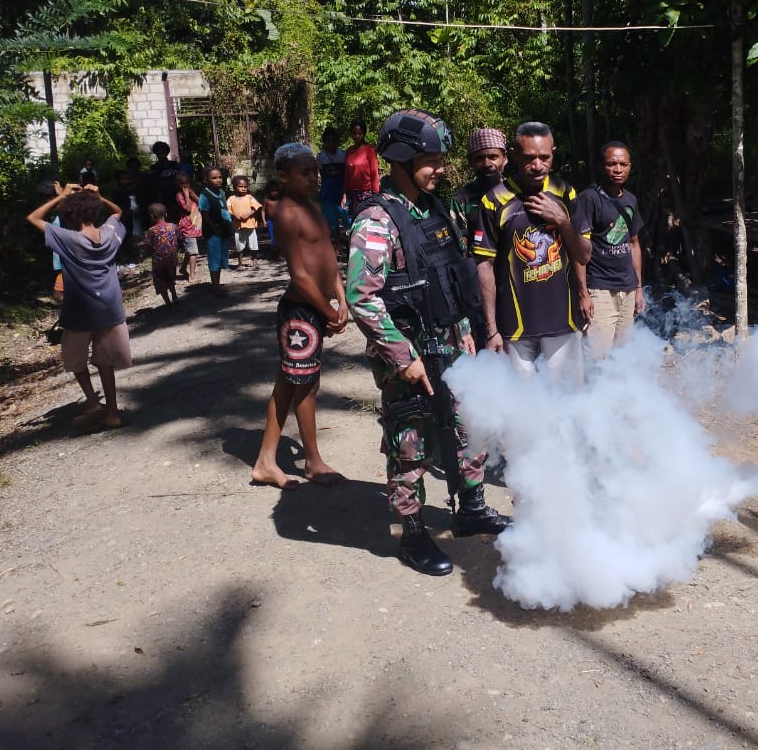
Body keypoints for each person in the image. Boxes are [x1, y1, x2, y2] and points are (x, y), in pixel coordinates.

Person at [346, 109, 510, 576]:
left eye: (440, 158)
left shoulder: (439, 206)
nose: (440, 167)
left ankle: (472, 506)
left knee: (469, 426)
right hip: (411, 353)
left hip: (454, 343)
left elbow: (454, 273)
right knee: (411, 444)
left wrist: (471, 333)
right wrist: (403, 357)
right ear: (401, 157)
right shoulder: (377, 221)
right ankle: (413, 533)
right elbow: (362, 297)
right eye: (430, 158)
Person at [251, 143, 348, 490]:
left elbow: (328, 254)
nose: (313, 178)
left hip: (318, 309)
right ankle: (313, 461)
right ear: (283, 176)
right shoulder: (288, 213)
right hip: (301, 313)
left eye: (314, 172)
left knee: (290, 382)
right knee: (304, 387)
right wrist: (327, 309)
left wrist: (341, 297)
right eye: (305, 173)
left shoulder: (314, 207)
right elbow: (300, 274)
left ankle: (265, 461)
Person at [472, 121, 591, 384]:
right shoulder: (493, 201)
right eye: (528, 158)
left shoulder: (565, 192)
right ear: (513, 154)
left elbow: (583, 255)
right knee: (524, 407)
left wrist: (562, 221)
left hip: (563, 321)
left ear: (553, 153)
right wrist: (491, 330)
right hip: (515, 327)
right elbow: (484, 266)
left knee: (569, 401)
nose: (537, 165)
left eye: (544, 157)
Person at [26, 183, 131, 430]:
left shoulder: (68, 239)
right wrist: (100, 196)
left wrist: (61, 197)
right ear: (95, 213)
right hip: (110, 309)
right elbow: (117, 213)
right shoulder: (108, 233)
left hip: (79, 312)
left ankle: (93, 401)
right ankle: (112, 412)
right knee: (105, 363)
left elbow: (33, 218)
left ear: (69, 216)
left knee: (76, 360)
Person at [574, 141, 645, 360]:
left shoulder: (631, 200)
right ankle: (589, 395)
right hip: (600, 289)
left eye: (623, 164)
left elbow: (634, 243)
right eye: (611, 164)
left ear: (630, 166)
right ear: (600, 166)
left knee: (622, 355)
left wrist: (639, 288)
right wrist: (583, 293)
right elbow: (578, 249)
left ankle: (616, 395)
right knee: (596, 356)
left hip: (628, 288)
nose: (617, 169)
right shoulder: (589, 199)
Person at [450, 127, 509, 251]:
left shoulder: (517, 192)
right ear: (470, 162)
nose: (487, 164)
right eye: (479, 158)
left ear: (505, 158)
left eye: (493, 157)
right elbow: (460, 243)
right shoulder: (462, 199)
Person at [198, 166, 233, 296]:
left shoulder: (222, 192)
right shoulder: (204, 195)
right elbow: (205, 214)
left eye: (219, 177)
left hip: (223, 230)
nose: (218, 180)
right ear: (206, 180)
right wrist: (214, 229)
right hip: (213, 233)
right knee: (214, 258)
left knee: (221, 257)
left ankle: (217, 284)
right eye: (214, 178)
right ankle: (215, 286)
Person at [316, 127, 348, 250]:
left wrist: (345, 192)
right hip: (327, 192)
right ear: (324, 142)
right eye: (328, 140)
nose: (331, 143)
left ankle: (350, 241)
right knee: (331, 221)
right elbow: (321, 172)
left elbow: (347, 174)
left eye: (333, 140)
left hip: (341, 191)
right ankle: (338, 243)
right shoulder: (320, 156)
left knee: (347, 218)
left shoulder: (343, 155)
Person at [143, 202, 180, 306]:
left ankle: (168, 303)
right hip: (172, 258)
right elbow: (179, 238)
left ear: (151, 216)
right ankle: (175, 296)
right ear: (166, 214)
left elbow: (148, 245)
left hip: (158, 261)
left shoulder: (151, 231)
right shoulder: (173, 226)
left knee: (161, 281)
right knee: (170, 278)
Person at [343, 118, 380, 219]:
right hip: (353, 194)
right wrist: (345, 194)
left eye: (360, 133)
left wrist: (376, 195)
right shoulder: (349, 151)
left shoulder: (370, 150)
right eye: (355, 133)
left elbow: (374, 174)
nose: (357, 136)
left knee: (366, 221)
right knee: (354, 221)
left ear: (364, 133)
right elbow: (347, 175)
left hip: (367, 193)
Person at [227, 175, 265, 269]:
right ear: (234, 187)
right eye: (240, 186)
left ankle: (254, 260)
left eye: (245, 187)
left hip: (250, 225)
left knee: (253, 244)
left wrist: (248, 214)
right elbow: (227, 209)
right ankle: (240, 263)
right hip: (238, 226)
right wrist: (234, 215)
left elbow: (256, 207)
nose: (243, 189)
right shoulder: (231, 199)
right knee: (239, 245)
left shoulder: (249, 197)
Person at [175, 172, 202, 282]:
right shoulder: (179, 195)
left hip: (194, 226)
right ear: (178, 184)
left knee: (190, 250)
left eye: (187, 183)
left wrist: (192, 194)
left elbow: (201, 203)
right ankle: (191, 276)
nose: (185, 186)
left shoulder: (191, 193)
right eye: (182, 184)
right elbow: (188, 209)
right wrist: (186, 195)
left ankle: (183, 268)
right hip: (187, 228)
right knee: (193, 252)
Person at [148, 141, 180, 211]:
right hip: (163, 198)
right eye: (158, 152)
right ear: (156, 153)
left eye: (162, 151)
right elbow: (155, 183)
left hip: (177, 195)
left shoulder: (175, 165)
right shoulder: (154, 168)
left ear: (167, 152)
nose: (160, 153)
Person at [262, 180, 282, 258]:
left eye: (276, 191)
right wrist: (264, 220)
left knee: (280, 237)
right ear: (268, 191)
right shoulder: (267, 201)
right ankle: (276, 253)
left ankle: (280, 253)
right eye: (272, 191)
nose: (274, 193)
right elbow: (263, 210)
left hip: (280, 222)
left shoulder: (280, 200)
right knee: (273, 238)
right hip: (270, 222)